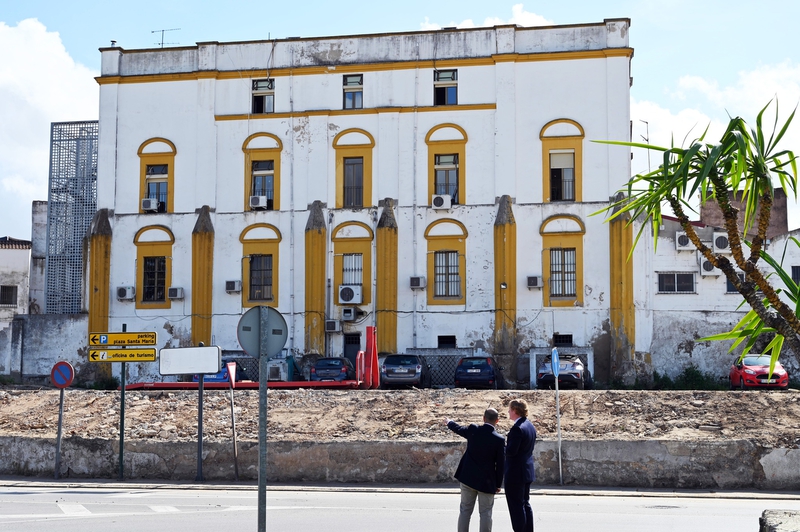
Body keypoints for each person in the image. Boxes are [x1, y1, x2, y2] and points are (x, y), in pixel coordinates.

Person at [445, 408, 505, 532]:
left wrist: (449, 422)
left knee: (465, 511)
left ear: (484, 418)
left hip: (467, 478)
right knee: (485, 513)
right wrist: (498, 484)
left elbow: (459, 429)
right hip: (487, 482)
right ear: (497, 421)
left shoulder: (473, 429)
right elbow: (500, 465)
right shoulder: (499, 440)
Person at [504, 399, 537, 532]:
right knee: (525, 504)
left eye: (510, 410)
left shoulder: (517, 429)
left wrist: (499, 446)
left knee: (516, 506)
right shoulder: (529, 425)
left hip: (516, 473)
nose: (508, 412)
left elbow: (511, 451)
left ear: (516, 411)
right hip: (527, 470)